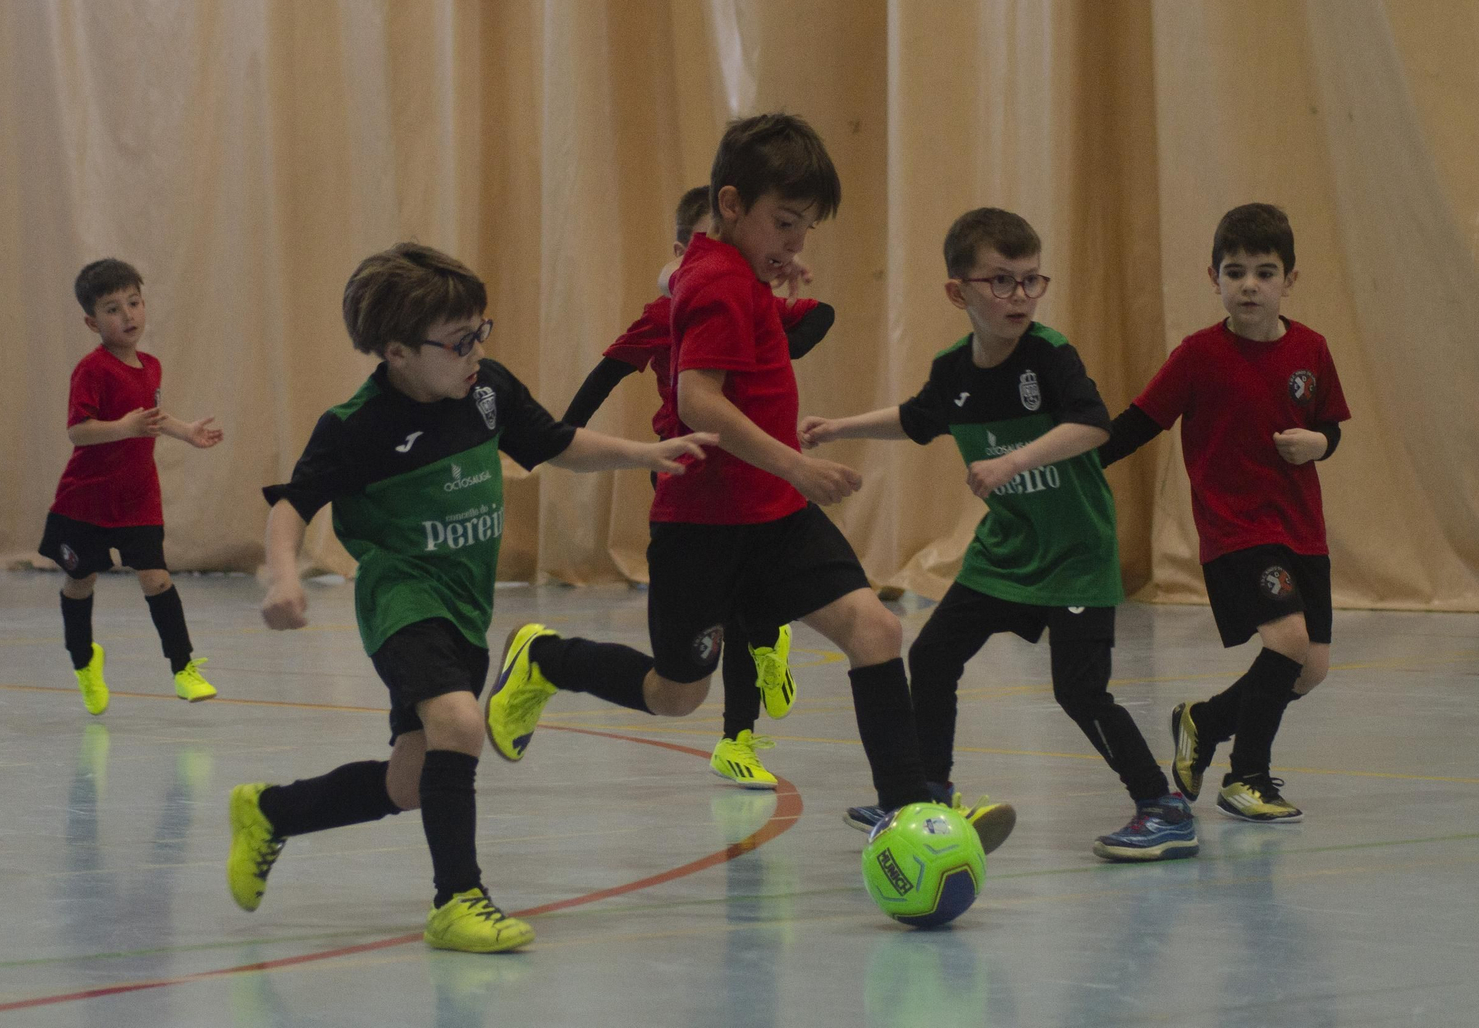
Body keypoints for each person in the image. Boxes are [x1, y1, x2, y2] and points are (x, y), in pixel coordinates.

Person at [226, 242, 713, 954]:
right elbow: (292, 507)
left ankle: (271, 811)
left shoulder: (486, 392)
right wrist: (284, 574)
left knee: (411, 784)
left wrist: (644, 454)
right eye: (458, 342)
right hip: (404, 602)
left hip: (464, 609)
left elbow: (554, 442)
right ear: (396, 352)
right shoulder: (357, 426)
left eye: (480, 332)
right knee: (460, 723)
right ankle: (458, 903)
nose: (475, 351)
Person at [483, 111, 942, 841]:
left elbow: (760, 350)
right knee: (675, 696)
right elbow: (698, 396)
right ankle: (543, 658)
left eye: (805, 230)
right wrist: (798, 463)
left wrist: (779, 287)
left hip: (774, 517)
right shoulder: (717, 282)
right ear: (731, 205)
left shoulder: (735, 271)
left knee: (877, 628)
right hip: (702, 527)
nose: (795, 242)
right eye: (784, 223)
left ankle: (912, 810)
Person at [801, 208, 1196, 862]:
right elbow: (918, 418)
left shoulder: (1050, 355)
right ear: (959, 292)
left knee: (1079, 689)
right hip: (1006, 554)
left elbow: (1093, 426)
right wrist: (838, 427)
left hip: (1075, 555)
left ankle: (1163, 805)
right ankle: (928, 792)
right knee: (931, 656)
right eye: (1002, 282)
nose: (1020, 297)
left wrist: (1014, 460)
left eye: (1031, 281)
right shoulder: (955, 370)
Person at [561, 183, 837, 790]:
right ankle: (547, 658)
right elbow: (605, 374)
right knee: (682, 680)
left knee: (757, 610)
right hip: (692, 492)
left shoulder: (750, 300)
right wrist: (556, 438)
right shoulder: (668, 311)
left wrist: (767, 318)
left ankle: (738, 735)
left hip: (759, 485)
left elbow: (820, 317)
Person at [1100, 203, 1349, 823]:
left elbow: (1330, 428)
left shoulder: (1311, 349)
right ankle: (1247, 777)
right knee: (1287, 640)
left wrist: (1319, 443)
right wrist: (1063, 463)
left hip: (1302, 531)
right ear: (1212, 276)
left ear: (1290, 278)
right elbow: (1135, 426)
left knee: (1311, 667)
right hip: (1235, 530)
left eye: (1265, 272)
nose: (1249, 285)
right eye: (1234, 271)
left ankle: (1203, 722)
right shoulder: (1198, 356)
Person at [38, 259, 224, 715]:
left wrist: (186, 433)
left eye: (134, 303)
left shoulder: (151, 367)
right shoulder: (92, 370)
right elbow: (78, 431)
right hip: (87, 500)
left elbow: (151, 421)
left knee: (156, 577)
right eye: (113, 309)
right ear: (92, 321)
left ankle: (183, 669)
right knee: (80, 581)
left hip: (139, 496)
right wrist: (121, 426)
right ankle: (85, 663)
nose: (128, 316)